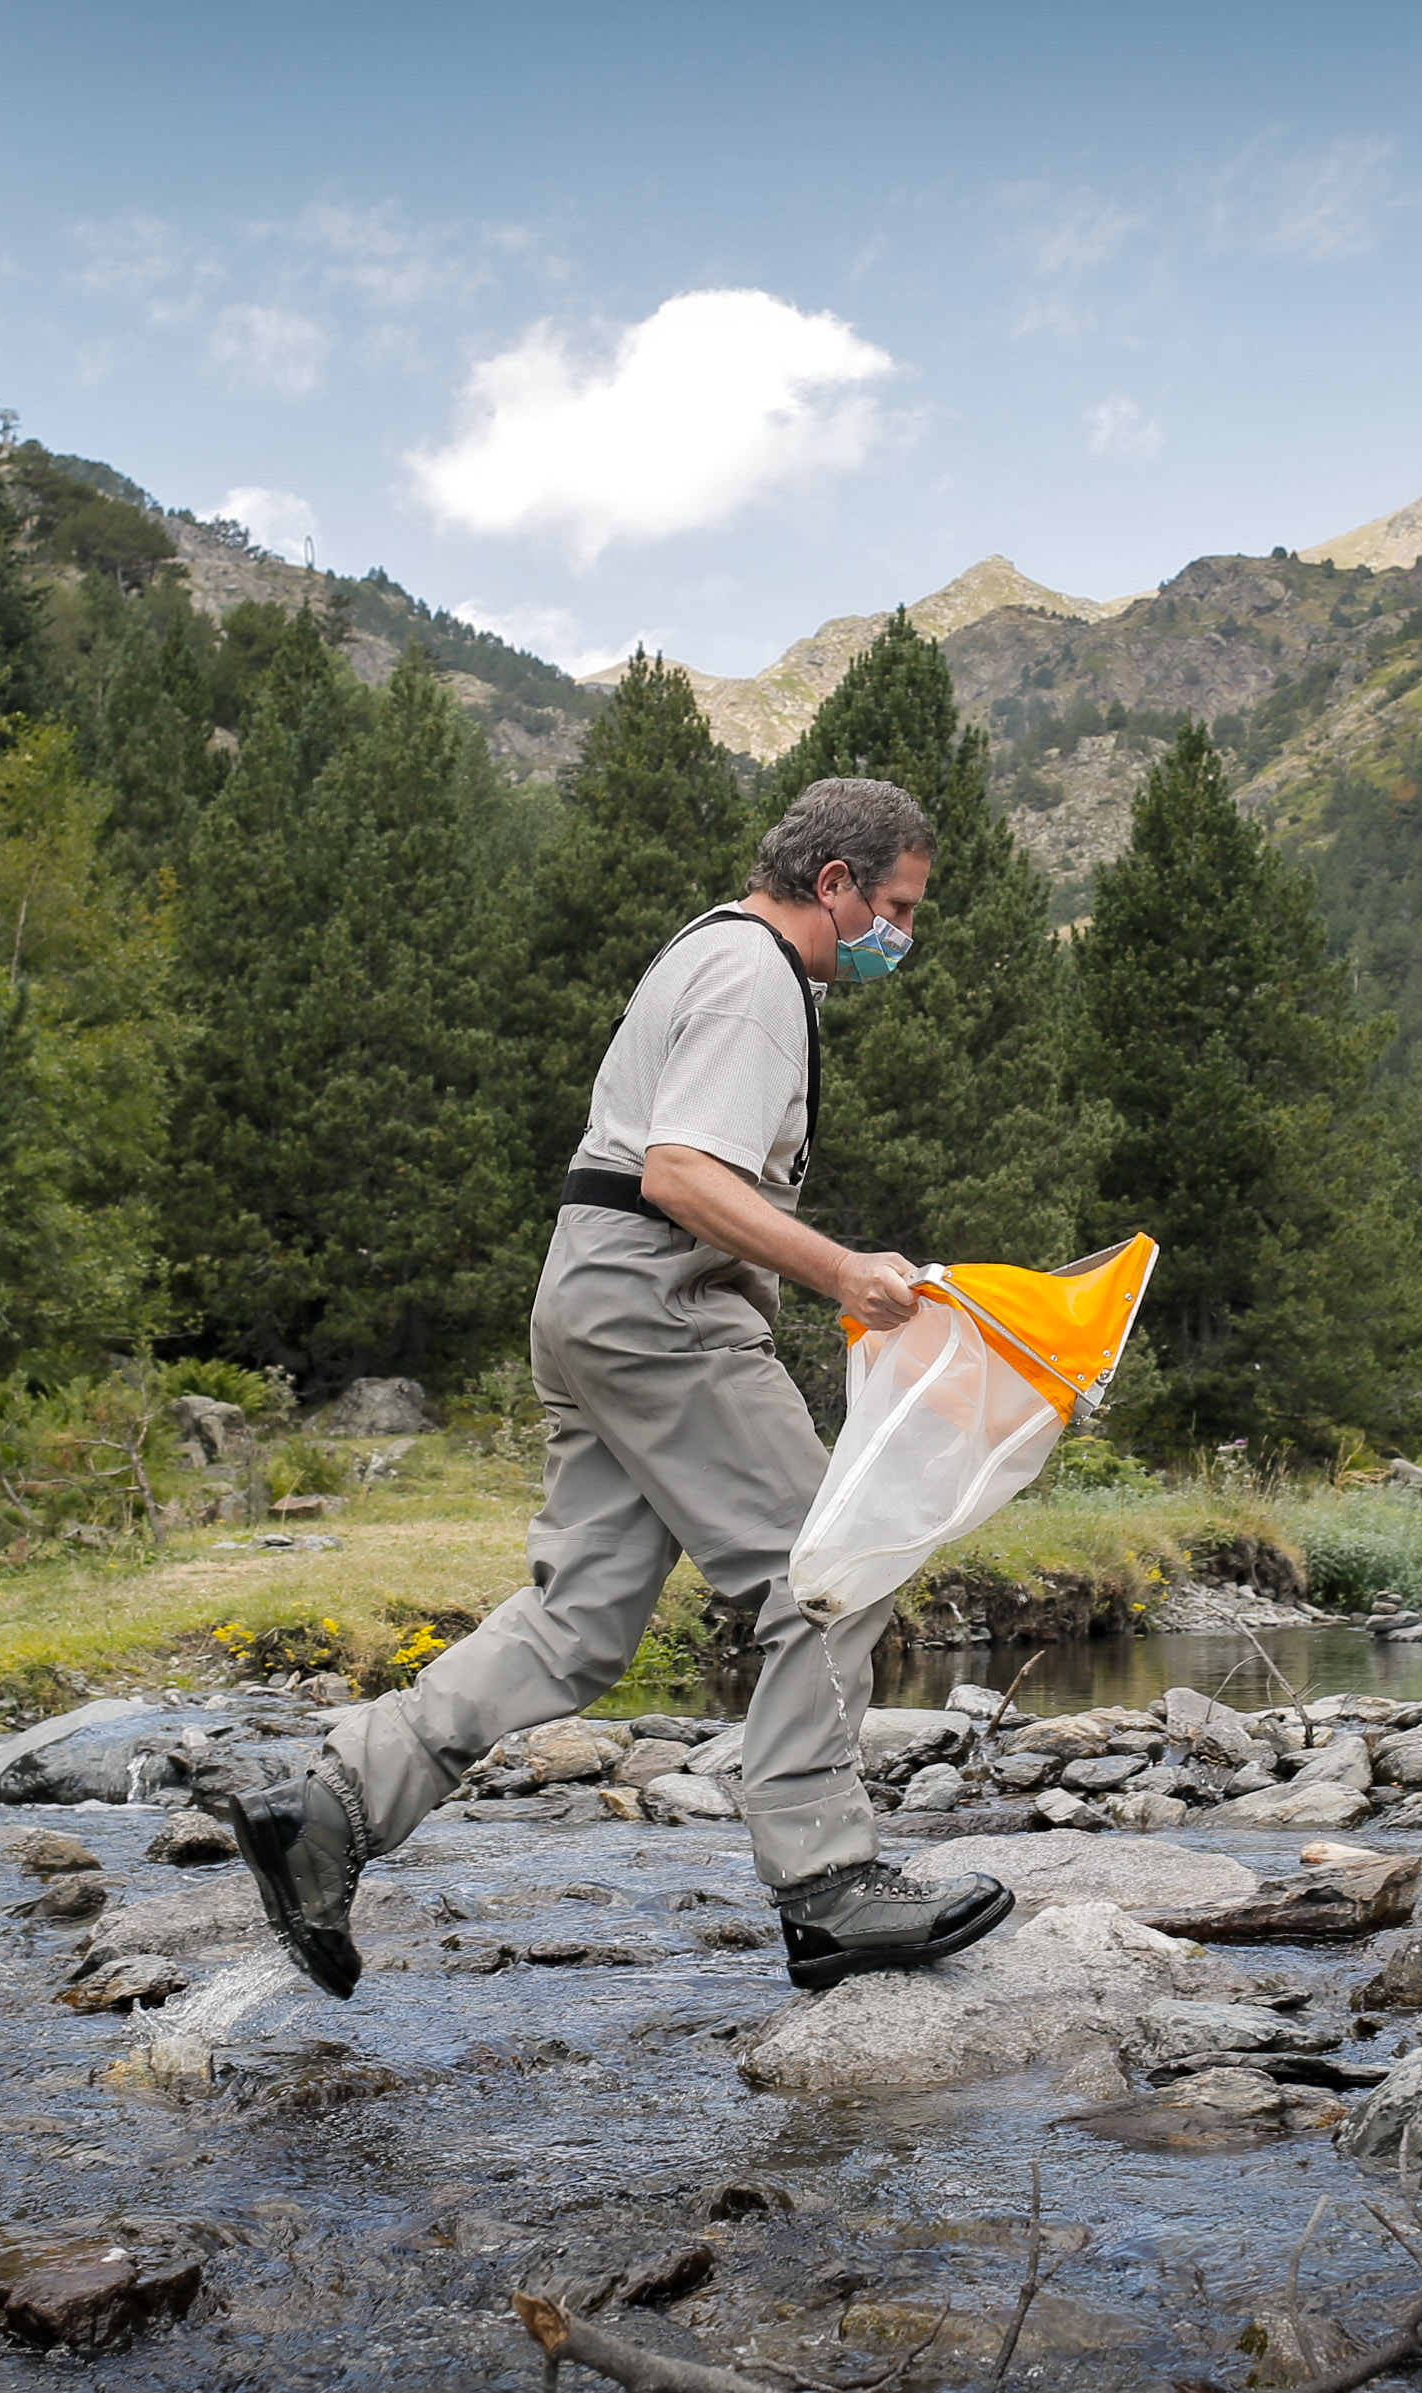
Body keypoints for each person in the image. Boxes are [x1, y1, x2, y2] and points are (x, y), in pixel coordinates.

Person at [218, 777, 1014, 1998]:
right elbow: (684, 1175)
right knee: (841, 1563)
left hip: (590, 1298)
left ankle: (328, 1810)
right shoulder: (756, 977)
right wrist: (846, 1274)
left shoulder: (703, 949)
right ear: (837, 883)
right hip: (660, 1306)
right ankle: (829, 1883)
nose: (903, 934)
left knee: (578, 1620)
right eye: (898, 906)